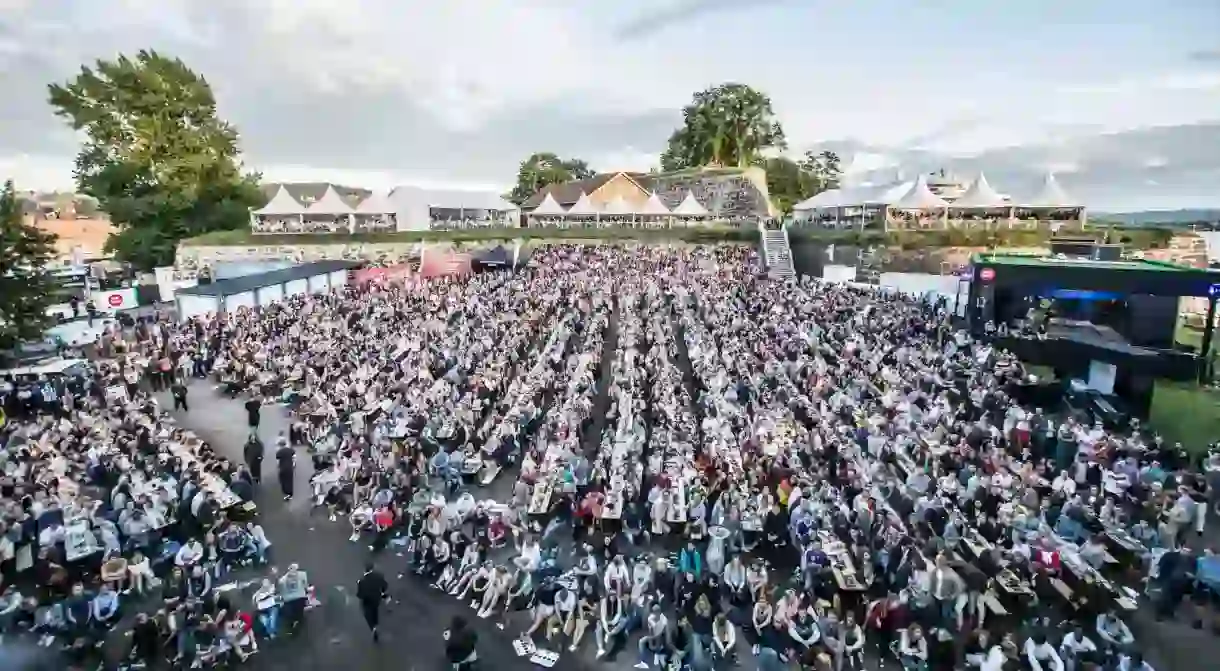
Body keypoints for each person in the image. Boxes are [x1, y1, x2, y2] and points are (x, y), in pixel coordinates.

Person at [357, 561, 389, 642]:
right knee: (375, 612)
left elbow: (360, 595)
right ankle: (376, 624)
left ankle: (373, 627)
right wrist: (382, 592)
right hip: (377, 599)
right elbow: (385, 585)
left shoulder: (362, 581)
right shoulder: (379, 576)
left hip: (367, 601)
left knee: (368, 614)